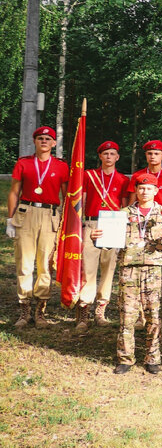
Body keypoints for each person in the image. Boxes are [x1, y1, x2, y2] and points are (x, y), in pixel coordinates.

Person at [103, 173, 162, 374]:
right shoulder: (122, 214)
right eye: (141, 188)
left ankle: (153, 357)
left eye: (149, 188)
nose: (145, 192)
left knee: (154, 315)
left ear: (156, 190)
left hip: (154, 269)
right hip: (130, 269)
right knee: (127, 315)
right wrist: (97, 238)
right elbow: (110, 242)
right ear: (136, 190)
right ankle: (125, 358)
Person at [8, 125, 69, 327]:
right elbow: (14, 192)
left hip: (50, 215)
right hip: (26, 212)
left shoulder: (61, 166)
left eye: (47, 138)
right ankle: (24, 310)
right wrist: (10, 218)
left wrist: (66, 221)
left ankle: (40, 310)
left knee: (45, 264)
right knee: (24, 263)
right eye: (40, 138)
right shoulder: (24, 163)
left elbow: (67, 196)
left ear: (54, 143)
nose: (44, 141)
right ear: (34, 141)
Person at [77, 140, 129, 331]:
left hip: (113, 225)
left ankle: (101, 309)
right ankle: (84, 309)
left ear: (117, 157)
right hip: (91, 223)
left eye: (112, 154)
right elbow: (80, 200)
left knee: (108, 269)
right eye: (105, 154)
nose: (108, 157)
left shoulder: (123, 179)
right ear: (100, 156)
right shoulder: (88, 175)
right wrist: (80, 223)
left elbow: (124, 206)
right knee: (88, 267)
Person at [126, 140, 162, 215]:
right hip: (140, 216)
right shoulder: (137, 176)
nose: (152, 156)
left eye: (156, 154)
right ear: (146, 155)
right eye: (149, 153)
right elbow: (131, 203)